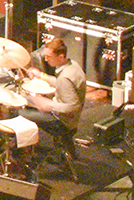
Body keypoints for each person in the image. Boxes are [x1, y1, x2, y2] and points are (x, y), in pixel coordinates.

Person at [21, 35, 88, 163]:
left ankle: (24, 155)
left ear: (61, 56)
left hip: (62, 122)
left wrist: (48, 104)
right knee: (31, 104)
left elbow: (73, 106)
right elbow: (60, 83)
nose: (46, 60)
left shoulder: (65, 77)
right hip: (71, 120)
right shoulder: (73, 65)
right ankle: (67, 150)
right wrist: (41, 76)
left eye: (49, 57)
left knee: (21, 113)